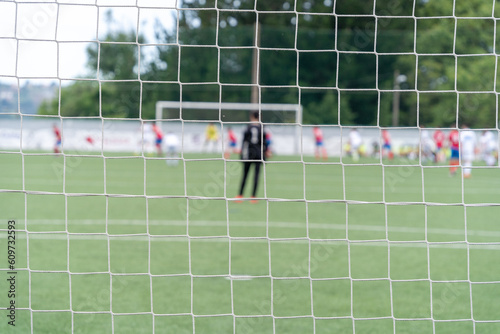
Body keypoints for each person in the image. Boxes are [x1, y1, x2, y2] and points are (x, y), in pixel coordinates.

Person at [235, 111, 269, 203]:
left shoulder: (248, 127)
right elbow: (265, 142)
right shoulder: (262, 128)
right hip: (258, 154)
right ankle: (253, 197)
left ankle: (240, 195)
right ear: (259, 117)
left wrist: (242, 154)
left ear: (251, 117)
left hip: (249, 154)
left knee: (245, 175)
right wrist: (266, 152)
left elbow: (244, 141)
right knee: (256, 175)